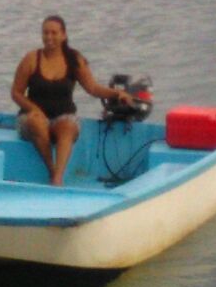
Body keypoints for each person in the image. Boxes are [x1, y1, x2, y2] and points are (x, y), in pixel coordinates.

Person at [11, 14, 132, 186]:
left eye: (54, 33)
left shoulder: (74, 59)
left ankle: (58, 176)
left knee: (67, 126)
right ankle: (52, 172)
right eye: (45, 33)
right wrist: (33, 109)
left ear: (64, 35)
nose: (49, 37)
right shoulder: (31, 59)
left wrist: (117, 94)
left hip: (62, 117)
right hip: (31, 119)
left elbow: (93, 88)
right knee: (36, 121)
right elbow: (16, 92)